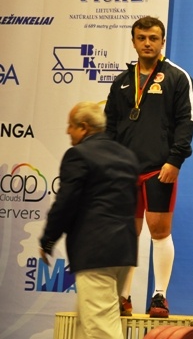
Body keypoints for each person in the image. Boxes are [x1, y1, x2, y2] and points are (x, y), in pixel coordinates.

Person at [105, 16, 193, 318]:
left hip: (160, 168)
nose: (147, 43)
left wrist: (175, 160)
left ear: (162, 42)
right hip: (124, 170)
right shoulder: (121, 82)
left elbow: (187, 121)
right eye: (142, 38)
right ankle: (123, 296)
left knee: (159, 230)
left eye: (153, 38)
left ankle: (159, 296)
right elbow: (110, 125)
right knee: (127, 232)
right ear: (133, 42)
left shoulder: (177, 78)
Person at [39, 102, 139, 339]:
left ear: (83, 127)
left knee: (100, 329)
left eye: (70, 126)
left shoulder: (78, 155)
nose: (67, 131)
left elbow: (65, 203)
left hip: (96, 251)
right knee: (86, 326)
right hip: (123, 251)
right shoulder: (127, 156)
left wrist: (48, 239)